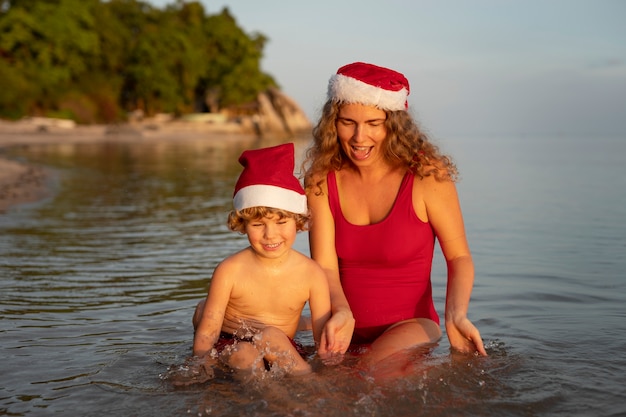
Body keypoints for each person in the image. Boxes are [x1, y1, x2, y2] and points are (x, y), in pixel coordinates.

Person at [302, 62, 487, 371]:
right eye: (348, 122)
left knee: (373, 373)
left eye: (374, 122)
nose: (360, 137)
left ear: (395, 123)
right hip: (344, 322)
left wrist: (457, 315)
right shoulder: (321, 179)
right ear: (333, 122)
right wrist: (343, 313)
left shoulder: (427, 175)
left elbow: (458, 257)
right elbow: (324, 268)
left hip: (412, 325)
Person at [192, 143, 331, 378]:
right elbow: (209, 329)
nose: (270, 234)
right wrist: (199, 364)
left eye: (281, 222)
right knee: (242, 350)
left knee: (271, 335)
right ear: (243, 225)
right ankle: (270, 399)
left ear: (298, 221)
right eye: (258, 225)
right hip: (232, 347)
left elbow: (322, 336)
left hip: (280, 349)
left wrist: (329, 365)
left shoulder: (311, 273)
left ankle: (311, 387)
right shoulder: (230, 270)